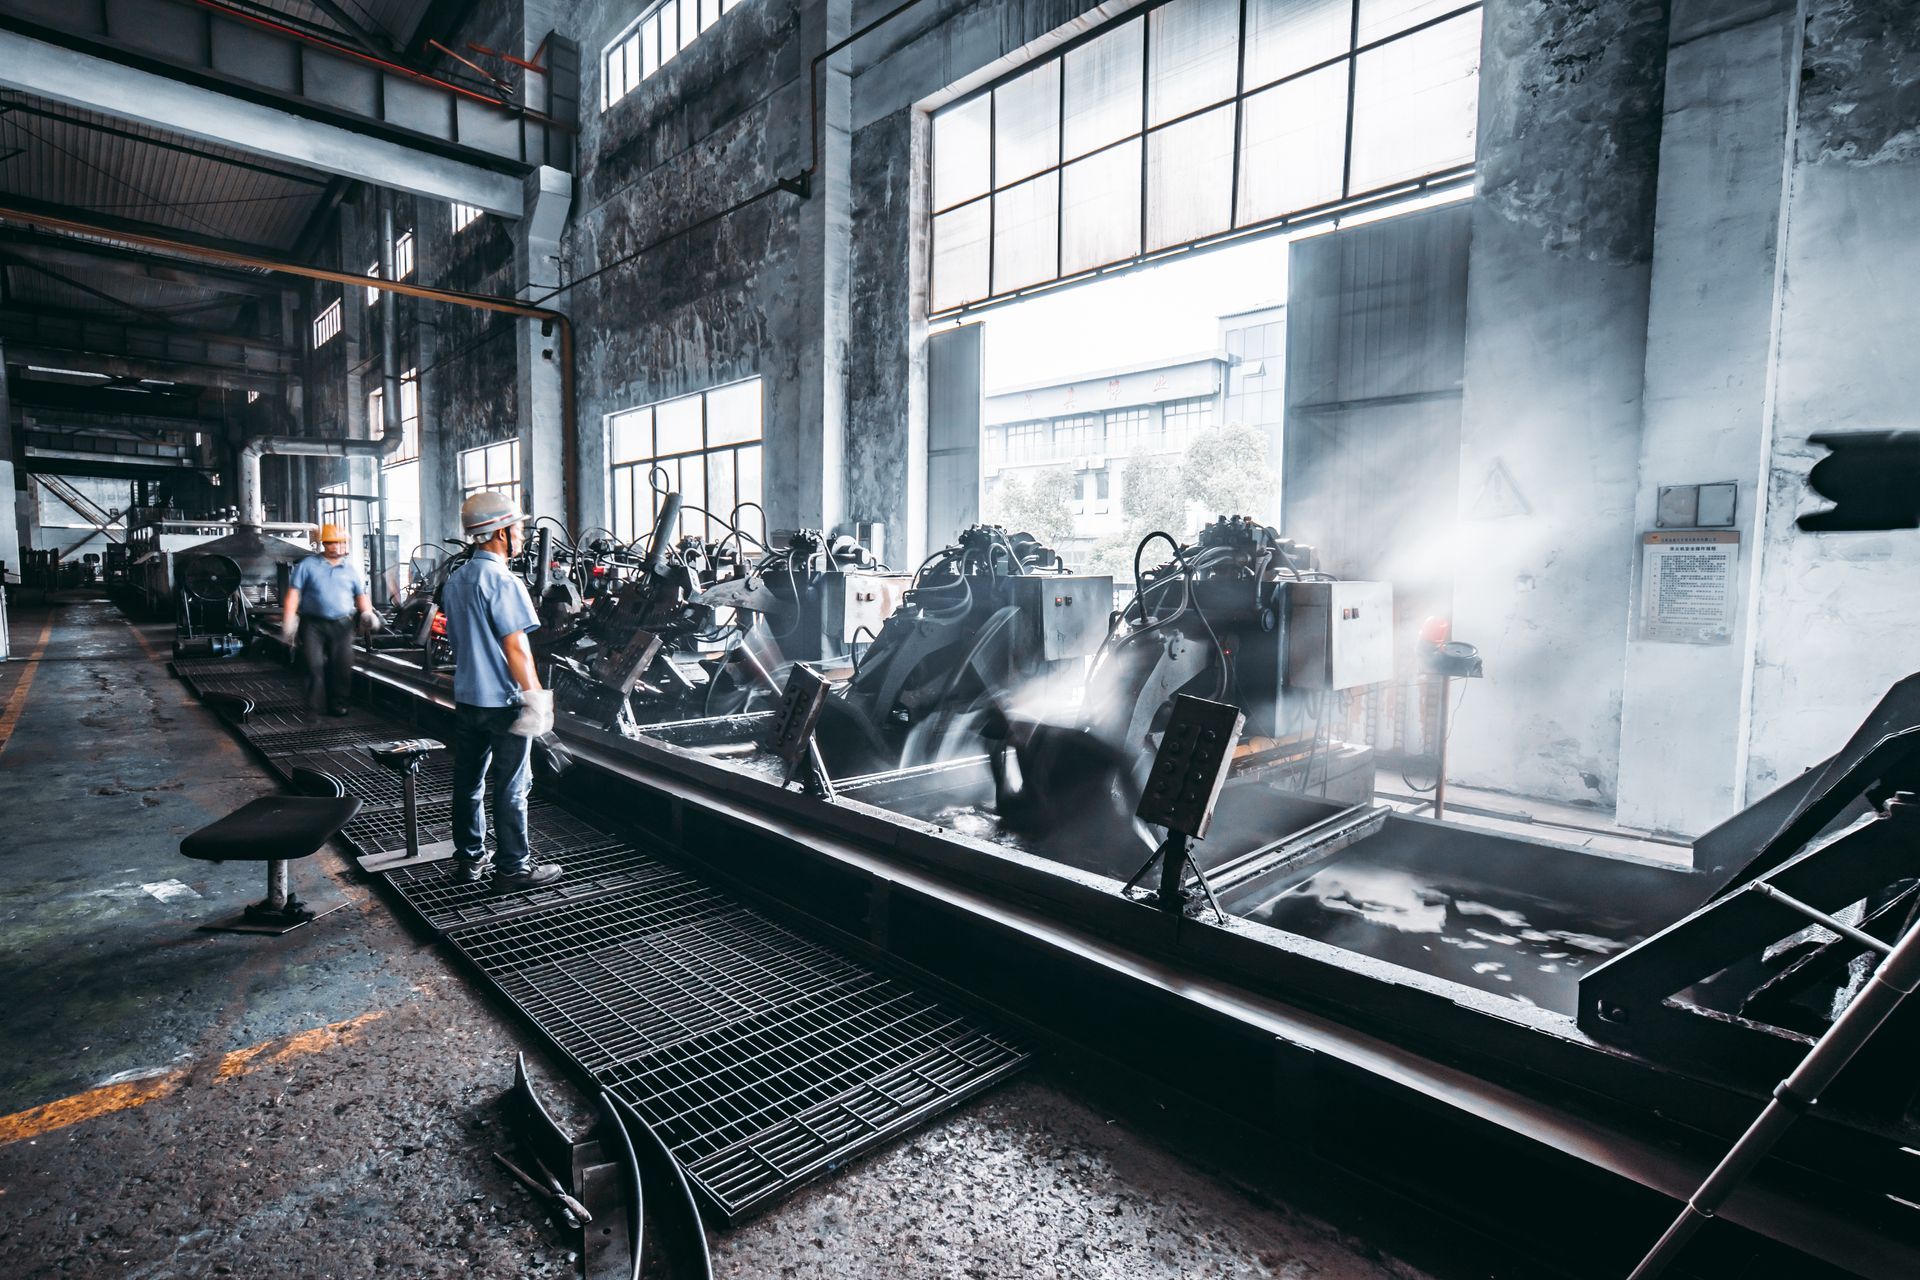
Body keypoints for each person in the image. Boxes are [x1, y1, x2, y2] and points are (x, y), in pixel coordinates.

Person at [440, 490, 561, 890]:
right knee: (513, 787)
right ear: (499, 533)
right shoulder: (503, 581)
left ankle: (469, 860)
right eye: (519, 528)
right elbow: (517, 649)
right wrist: (536, 699)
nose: (523, 534)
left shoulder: (456, 579)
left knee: (469, 782)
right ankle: (513, 868)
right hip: (505, 703)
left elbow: (455, 637)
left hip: (467, 697)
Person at [281, 523, 377, 716]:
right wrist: (289, 618)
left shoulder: (350, 569)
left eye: (343, 543)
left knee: (341, 665)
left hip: (342, 624)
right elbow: (293, 594)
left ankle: (338, 704)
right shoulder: (307, 565)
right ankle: (314, 707)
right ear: (324, 543)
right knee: (312, 664)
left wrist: (367, 612)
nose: (340, 546)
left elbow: (360, 595)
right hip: (312, 624)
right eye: (335, 543)